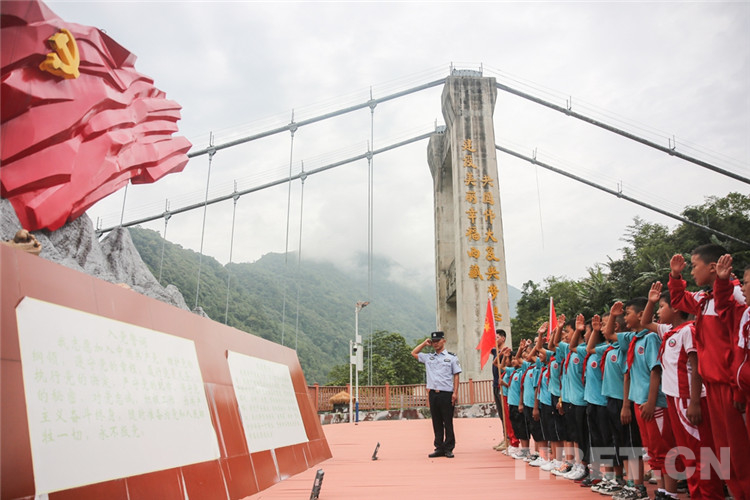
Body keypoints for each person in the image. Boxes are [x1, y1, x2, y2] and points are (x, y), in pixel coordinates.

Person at [669, 244, 750, 499]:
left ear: (713, 267)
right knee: (726, 455)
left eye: (694, 266)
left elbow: (739, 344)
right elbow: (679, 300)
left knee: (739, 454)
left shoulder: (737, 295)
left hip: (731, 386)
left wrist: (737, 388)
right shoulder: (706, 299)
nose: (692, 271)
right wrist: (675, 277)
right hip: (713, 386)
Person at [412, 331, 462, 458]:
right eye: (433, 341)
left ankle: (449, 448)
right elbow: (414, 353)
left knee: (447, 421)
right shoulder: (429, 357)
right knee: (436, 421)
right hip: (433, 394)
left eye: (438, 341)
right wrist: (424, 344)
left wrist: (455, 393)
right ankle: (439, 447)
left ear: (443, 341)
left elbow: (456, 375)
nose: (435, 344)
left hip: (447, 393)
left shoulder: (451, 357)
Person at [490, 329, 508, 450]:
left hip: (503, 385)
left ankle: (509, 439)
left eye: (497, 337)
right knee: (501, 414)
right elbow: (485, 347)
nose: (495, 340)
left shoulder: (506, 352)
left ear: (503, 338)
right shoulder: (495, 351)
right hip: (496, 385)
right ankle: (505, 437)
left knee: (506, 414)